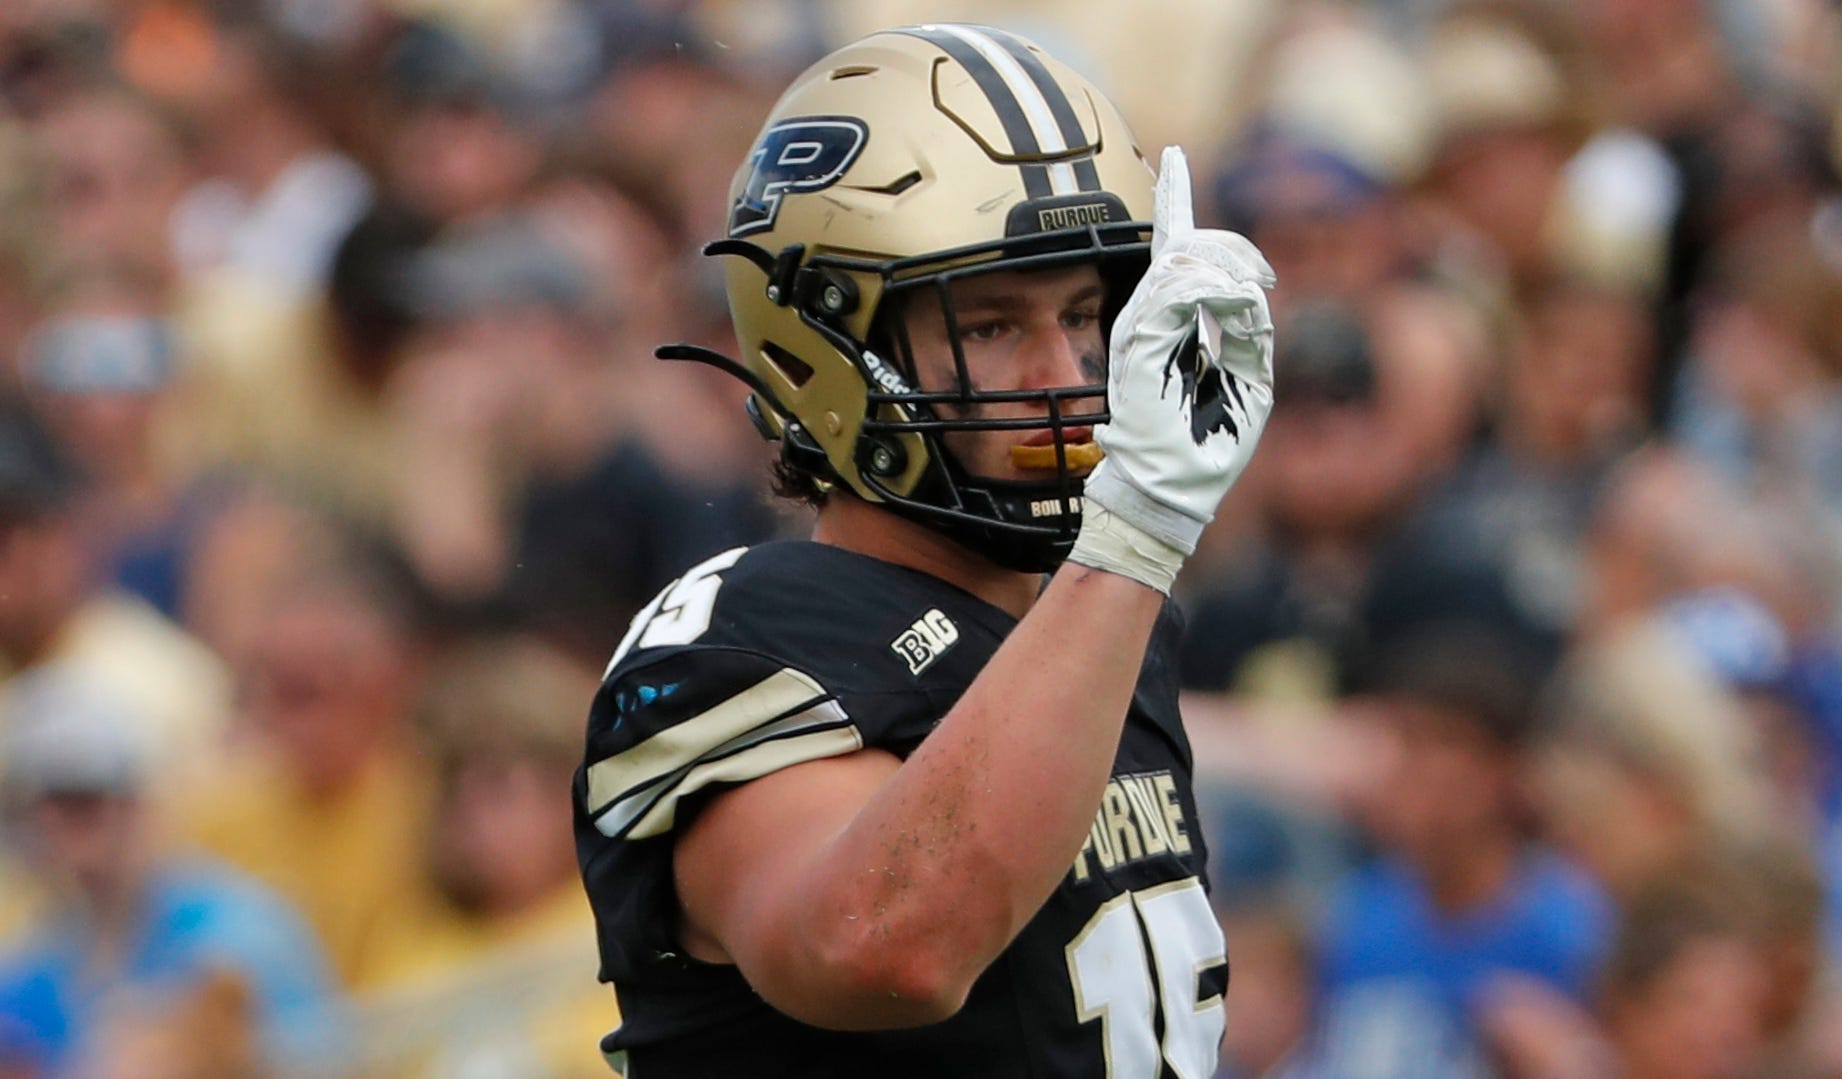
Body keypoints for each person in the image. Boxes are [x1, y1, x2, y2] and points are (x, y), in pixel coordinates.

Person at [573, 24, 1278, 1078]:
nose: (1065, 370)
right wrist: (1133, 539)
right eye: (992, 325)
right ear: (824, 338)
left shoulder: (1100, 620)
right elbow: (880, 946)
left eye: (1085, 312)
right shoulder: (738, 636)